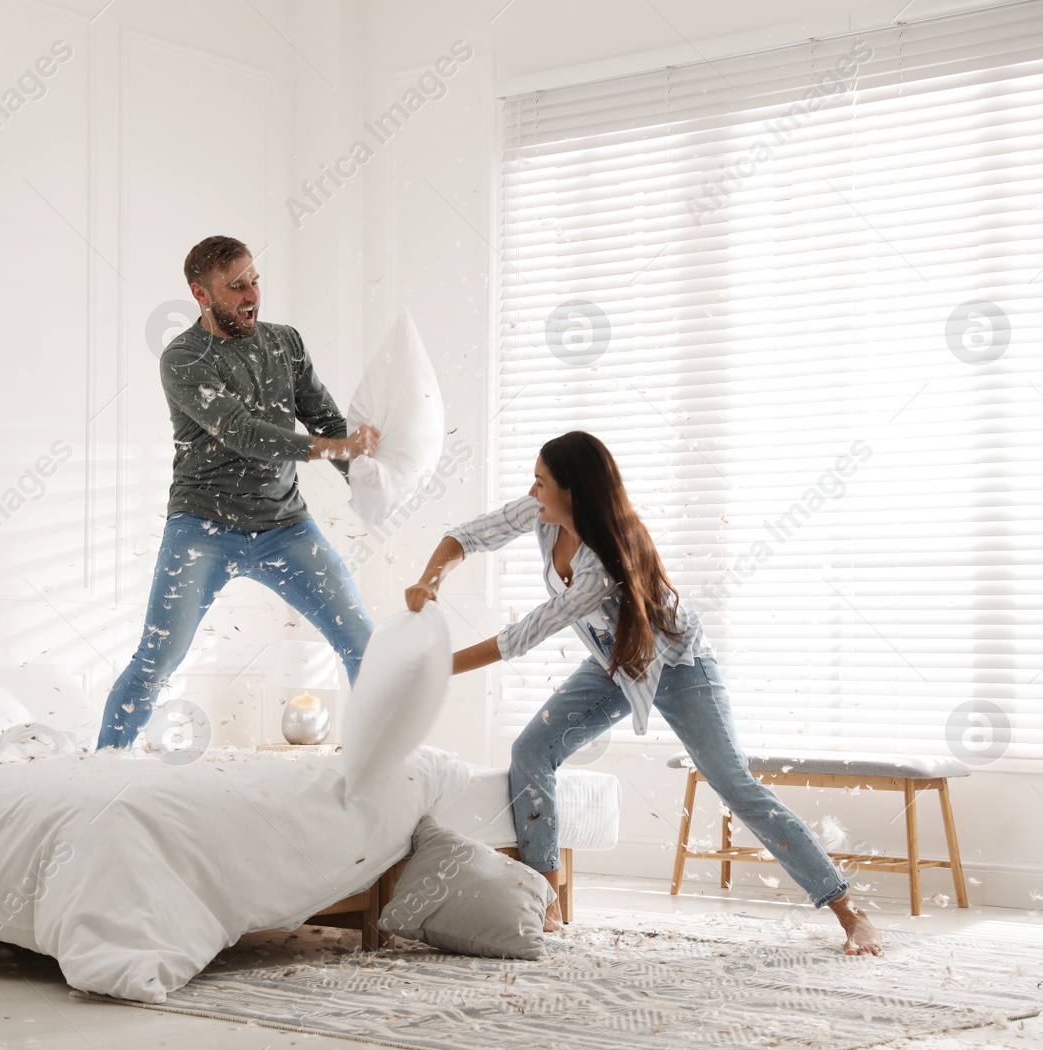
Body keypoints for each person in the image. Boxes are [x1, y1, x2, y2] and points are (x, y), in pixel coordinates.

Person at [404, 431, 883, 955]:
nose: (532, 490)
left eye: (541, 482)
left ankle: (848, 911)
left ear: (574, 491)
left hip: (678, 664)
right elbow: (468, 536)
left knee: (735, 785)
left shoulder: (602, 563)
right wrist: (431, 581)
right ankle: (547, 897)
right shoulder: (542, 514)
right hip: (614, 660)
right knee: (532, 751)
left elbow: (524, 635)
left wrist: (435, 668)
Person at [98, 236, 379, 750]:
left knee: (364, 641)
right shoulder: (183, 358)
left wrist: (368, 482)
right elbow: (244, 433)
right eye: (236, 286)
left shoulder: (285, 342)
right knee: (156, 660)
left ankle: (376, 768)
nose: (251, 294)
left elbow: (325, 419)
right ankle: (99, 772)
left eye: (254, 280)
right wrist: (338, 445)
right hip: (202, 527)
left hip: (285, 526)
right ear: (201, 295)